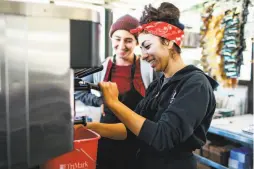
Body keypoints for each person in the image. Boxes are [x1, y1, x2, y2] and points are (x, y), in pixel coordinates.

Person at [94, 2, 219, 169]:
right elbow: (130, 130)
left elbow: (163, 137)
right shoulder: (157, 85)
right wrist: (91, 128)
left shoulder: (195, 84)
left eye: (147, 46)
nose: (143, 56)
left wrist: (114, 103)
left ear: (168, 41)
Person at [75, 14, 157, 169]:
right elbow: (77, 88)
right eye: (117, 39)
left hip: (139, 138)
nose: (122, 45)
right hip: (107, 137)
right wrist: (100, 101)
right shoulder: (101, 67)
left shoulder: (148, 69)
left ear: (136, 42)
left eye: (128, 40)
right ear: (111, 39)